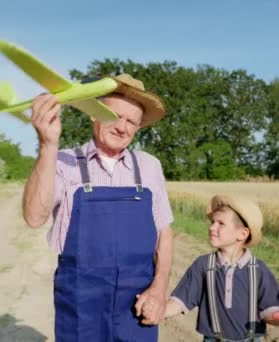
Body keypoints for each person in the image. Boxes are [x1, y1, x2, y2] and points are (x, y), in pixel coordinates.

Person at [22, 74, 174, 341]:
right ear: (94, 114)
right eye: (115, 116)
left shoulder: (149, 166)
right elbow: (34, 217)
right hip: (81, 303)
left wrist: (160, 289)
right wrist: (47, 144)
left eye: (132, 122)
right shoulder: (62, 162)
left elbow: (164, 232)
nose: (122, 128)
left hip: (137, 303)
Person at [163, 194, 279, 342]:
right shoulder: (203, 265)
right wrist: (157, 310)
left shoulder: (259, 270)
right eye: (212, 222)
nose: (212, 227)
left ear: (242, 234)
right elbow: (180, 301)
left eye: (220, 223)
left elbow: (270, 312)